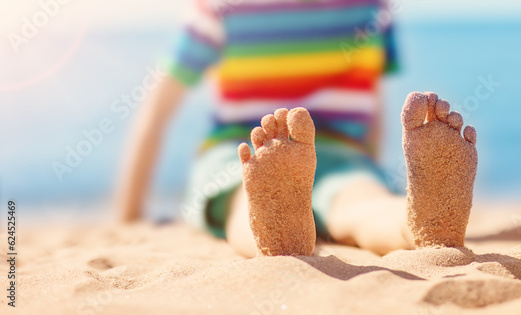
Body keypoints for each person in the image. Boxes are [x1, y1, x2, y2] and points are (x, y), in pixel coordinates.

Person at [114, 0, 479, 257]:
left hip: (246, 148)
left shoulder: (221, 8)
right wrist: (369, 162)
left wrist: (129, 214)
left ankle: (271, 234)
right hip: (343, 153)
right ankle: (413, 224)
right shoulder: (369, 7)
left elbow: (156, 111)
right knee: (360, 203)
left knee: (244, 201)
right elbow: (373, 107)